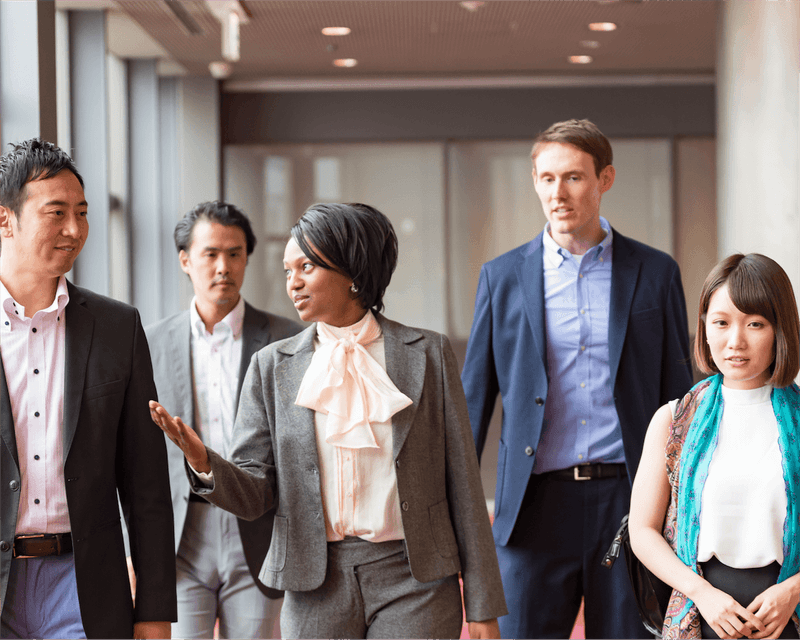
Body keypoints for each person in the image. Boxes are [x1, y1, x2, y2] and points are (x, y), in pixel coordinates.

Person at [150, 202, 508, 639]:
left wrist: (483, 608)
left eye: (306, 267)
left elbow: (464, 487)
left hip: (416, 580)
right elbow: (255, 493)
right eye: (287, 271)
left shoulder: (427, 354)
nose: (292, 282)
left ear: (351, 268)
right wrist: (203, 459)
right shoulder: (271, 366)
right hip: (315, 581)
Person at [461, 118, 694, 638]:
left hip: (628, 502)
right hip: (532, 507)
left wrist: (687, 503)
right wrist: (456, 514)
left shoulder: (655, 273)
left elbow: (679, 399)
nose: (557, 193)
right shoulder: (502, 278)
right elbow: (472, 400)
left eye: (572, 177)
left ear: (604, 179)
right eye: (546, 178)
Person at [0, 139, 176, 639]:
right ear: (4, 220)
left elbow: (145, 482)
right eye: (56, 213)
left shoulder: (117, 326)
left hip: (83, 584)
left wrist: (155, 610)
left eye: (82, 213)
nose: (75, 230)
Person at [146, 201, 302, 639]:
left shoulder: (288, 339)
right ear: (185, 260)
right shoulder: (150, 342)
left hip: (259, 526)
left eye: (235, 254)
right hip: (181, 534)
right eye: (211, 254)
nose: (223, 267)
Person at [629, 253, 800, 640]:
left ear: (781, 329)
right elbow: (642, 531)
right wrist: (702, 594)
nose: (735, 341)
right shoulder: (672, 421)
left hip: (787, 615)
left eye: (755, 324)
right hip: (701, 614)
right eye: (721, 322)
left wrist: (793, 589)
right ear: (704, 328)